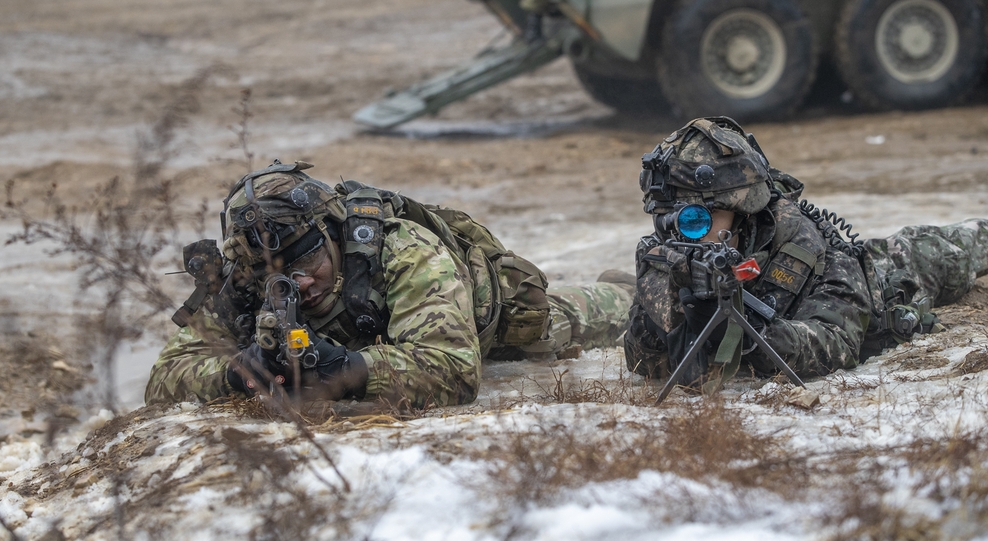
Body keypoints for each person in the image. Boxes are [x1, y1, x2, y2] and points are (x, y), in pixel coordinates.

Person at [145, 161, 634, 407]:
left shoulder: (400, 248)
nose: (298, 284)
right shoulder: (249, 276)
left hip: (495, 320)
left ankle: (625, 290)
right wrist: (235, 373)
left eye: (308, 262)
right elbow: (165, 377)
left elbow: (455, 369)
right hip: (386, 341)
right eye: (277, 277)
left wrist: (349, 369)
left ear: (331, 232)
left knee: (570, 317)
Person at [624, 116, 988, 389]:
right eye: (666, 221)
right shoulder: (673, 256)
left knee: (955, 247)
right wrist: (668, 313)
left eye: (694, 220)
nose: (680, 236)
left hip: (886, 272)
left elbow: (836, 342)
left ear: (743, 213)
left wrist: (753, 339)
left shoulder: (807, 249)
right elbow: (643, 358)